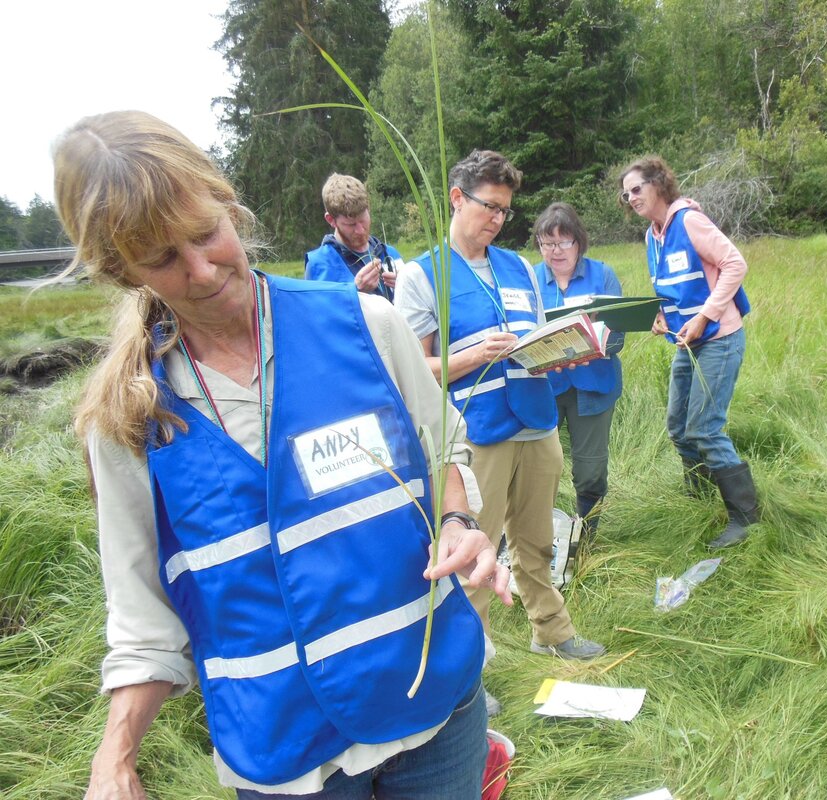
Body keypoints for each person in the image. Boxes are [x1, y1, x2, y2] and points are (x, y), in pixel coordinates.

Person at [55, 111, 511, 799]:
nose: (203, 270)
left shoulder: (368, 326)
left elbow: (440, 443)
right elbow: (142, 617)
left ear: (229, 206)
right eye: (162, 259)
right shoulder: (128, 419)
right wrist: (114, 758)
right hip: (286, 756)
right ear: (121, 272)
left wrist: (459, 524)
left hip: (433, 715)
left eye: (207, 233)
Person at [394, 150, 606, 710]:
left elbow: (532, 339)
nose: (497, 219)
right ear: (457, 198)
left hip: (536, 420)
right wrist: (466, 356)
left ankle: (552, 633)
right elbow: (413, 370)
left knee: (536, 541)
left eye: (505, 211)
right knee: (472, 557)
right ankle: (467, 671)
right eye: (489, 207)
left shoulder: (517, 267)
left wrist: (556, 354)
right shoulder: (421, 275)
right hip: (476, 432)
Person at [618, 155, 760, 548]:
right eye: (626, 193)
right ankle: (699, 501)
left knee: (704, 427)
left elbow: (735, 263)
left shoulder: (689, 221)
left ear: (659, 184)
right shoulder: (652, 235)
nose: (630, 197)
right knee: (679, 428)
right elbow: (667, 285)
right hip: (686, 341)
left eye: (637, 188)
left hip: (719, 339)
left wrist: (704, 316)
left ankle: (745, 519)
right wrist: (660, 315)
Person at [531, 203, 625, 544]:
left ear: (578, 243)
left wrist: (594, 345)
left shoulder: (603, 275)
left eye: (563, 242)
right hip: (544, 387)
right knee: (538, 467)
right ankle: (538, 535)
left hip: (594, 386)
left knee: (590, 470)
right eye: (547, 243)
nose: (555, 251)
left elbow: (619, 335)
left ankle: (585, 538)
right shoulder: (530, 280)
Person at [305, 173, 401, 301]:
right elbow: (318, 316)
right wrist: (356, 292)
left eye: (363, 220)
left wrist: (406, 286)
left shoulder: (390, 253)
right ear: (331, 220)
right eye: (351, 224)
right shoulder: (319, 265)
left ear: (368, 208)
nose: (360, 230)